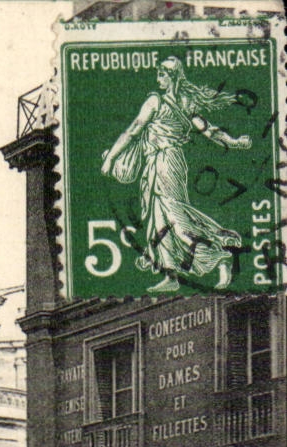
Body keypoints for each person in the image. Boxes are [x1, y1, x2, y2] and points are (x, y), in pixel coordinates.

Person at [99, 55, 252, 292]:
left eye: (162, 73)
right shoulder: (183, 103)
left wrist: (111, 158)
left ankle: (220, 255)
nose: (158, 77)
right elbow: (209, 130)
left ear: (172, 77)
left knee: (174, 218)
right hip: (163, 163)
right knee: (158, 218)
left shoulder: (156, 101)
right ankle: (171, 275)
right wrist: (234, 141)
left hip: (165, 163)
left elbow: (133, 131)